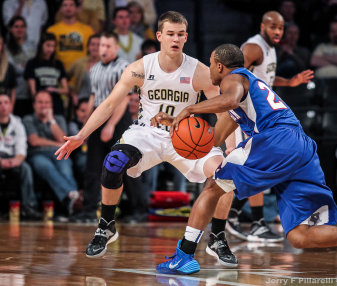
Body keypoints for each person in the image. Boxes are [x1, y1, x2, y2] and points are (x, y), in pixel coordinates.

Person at [156, 43, 337, 278]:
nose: (209, 69)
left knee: (212, 187)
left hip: (275, 139)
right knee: (299, 235)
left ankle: (185, 255)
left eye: (210, 64)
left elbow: (229, 99)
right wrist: (176, 127)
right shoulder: (248, 92)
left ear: (220, 66)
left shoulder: (234, 79)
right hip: (301, 147)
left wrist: (189, 110)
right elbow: (213, 137)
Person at [55, 11, 238, 267]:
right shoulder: (140, 68)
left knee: (225, 172)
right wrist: (81, 135)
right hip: (147, 133)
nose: (175, 39)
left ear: (186, 37)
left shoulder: (199, 71)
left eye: (180, 34)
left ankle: (217, 236)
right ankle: (106, 226)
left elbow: (223, 110)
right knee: (114, 161)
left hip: (186, 135)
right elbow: (109, 104)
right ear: (159, 36)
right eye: (170, 34)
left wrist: (230, 147)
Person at [227, 11, 314, 243]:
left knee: (258, 167)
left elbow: (266, 82)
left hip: (260, 118)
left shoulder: (269, 48)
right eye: (273, 27)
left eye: (281, 28)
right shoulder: (253, 47)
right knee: (252, 166)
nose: (278, 32)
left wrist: (291, 82)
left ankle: (241, 217)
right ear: (262, 25)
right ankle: (244, 220)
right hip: (246, 115)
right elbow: (233, 76)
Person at [68, 31, 133, 223]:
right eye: (100, 46)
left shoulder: (124, 67)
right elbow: (93, 97)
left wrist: (111, 125)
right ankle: (89, 210)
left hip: (118, 118)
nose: (102, 49)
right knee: (93, 166)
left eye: (107, 46)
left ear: (116, 47)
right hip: (99, 115)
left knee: (126, 166)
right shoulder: (94, 68)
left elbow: (124, 99)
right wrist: (86, 127)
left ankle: (138, 209)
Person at [23, 90, 79, 216]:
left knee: (65, 168)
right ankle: (74, 196)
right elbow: (34, 141)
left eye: (47, 102)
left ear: (51, 105)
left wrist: (51, 121)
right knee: (46, 167)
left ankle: (71, 200)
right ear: (34, 105)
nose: (44, 105)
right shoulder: (29, 119)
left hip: (58, 153)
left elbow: (63, 140)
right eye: (40, 102)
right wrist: (57, 144)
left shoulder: (58, 119)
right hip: (37, 155)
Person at [0, 93, 41, 220]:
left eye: (6, 102)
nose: (3, 106)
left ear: (11, 105)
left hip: (14, 158)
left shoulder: (17, 123)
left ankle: (29, 206)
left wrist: (16, 160)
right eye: (0, 103)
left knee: (26, 169)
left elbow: (22, 147)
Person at [24, 33, 69, 116]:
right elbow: (32, 91)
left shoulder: (58, 64)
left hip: (56, 106)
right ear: (41, 45)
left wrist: (54, 90)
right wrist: (41, 101)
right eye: (48, 45)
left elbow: (65, 89)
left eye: (53, 46)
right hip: (39, 106)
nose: (51, 49)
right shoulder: (32, 63)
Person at [47, 0, 94, 71]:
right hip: (59, 74)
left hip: (81, 73)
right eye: (65, 5)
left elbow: (93, 54)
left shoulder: (88, 30)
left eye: (71, 5)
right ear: (60, 9)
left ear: (77, 8)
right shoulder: (52, 30)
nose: (68, 8)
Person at [6, 16, 37, 118]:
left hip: (32, 93)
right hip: (14, 93)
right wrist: (28, 68)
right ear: (10, 29)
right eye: (16, 26)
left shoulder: (33, 46)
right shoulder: (6, 48)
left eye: (22, 26)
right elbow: (10, 69)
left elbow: (37, 67)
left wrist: (24, 68)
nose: (19, 29)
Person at [67, 34, 100, 104]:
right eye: (93, 44)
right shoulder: (78, 63)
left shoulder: (108, 64)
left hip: (100, 104)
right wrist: (72, 93)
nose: (95, 47)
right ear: (88, 47)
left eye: (98, 45)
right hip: (81, 103)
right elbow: (64, 78)